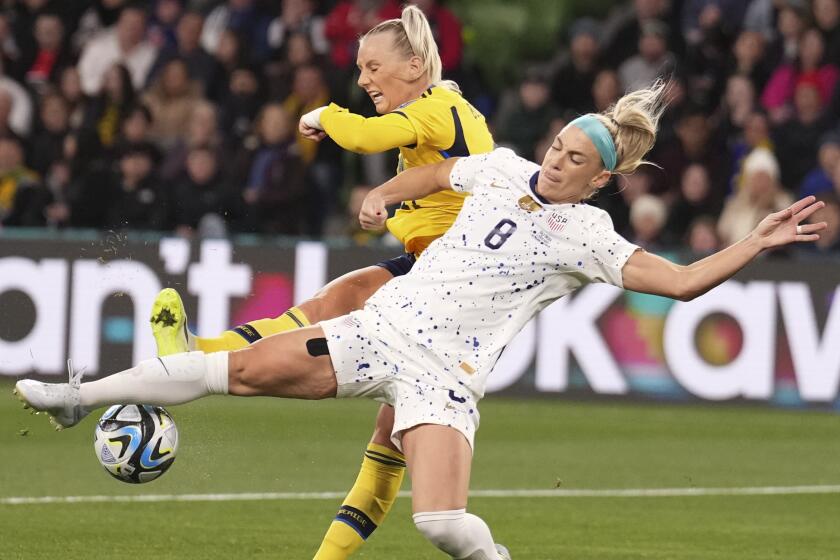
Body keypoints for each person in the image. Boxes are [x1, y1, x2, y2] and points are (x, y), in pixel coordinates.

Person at [15, 82, 827, 560]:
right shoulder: (506, 167)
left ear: (600, 180)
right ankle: (78, 396)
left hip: (444, 376)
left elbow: (681, 284)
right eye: (556, 146)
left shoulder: (588, 237)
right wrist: (383, 194)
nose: (556, 159)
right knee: (217, 370)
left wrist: (752, 241)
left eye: (576, 159)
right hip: (379, 331)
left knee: (441, 522)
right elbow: (441, 170)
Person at [151, 6, 494, 559]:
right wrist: (390, 201)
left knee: (389, 441)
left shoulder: (436, 108)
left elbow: (365, 137)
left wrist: (324, 115)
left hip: (454, 294)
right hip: (436, 275)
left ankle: (198, 356)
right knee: (339, 320)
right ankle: (195, 352)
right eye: (358, 68)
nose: (362, 79)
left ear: (411, 66)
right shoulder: (445, 111)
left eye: (370, 67)